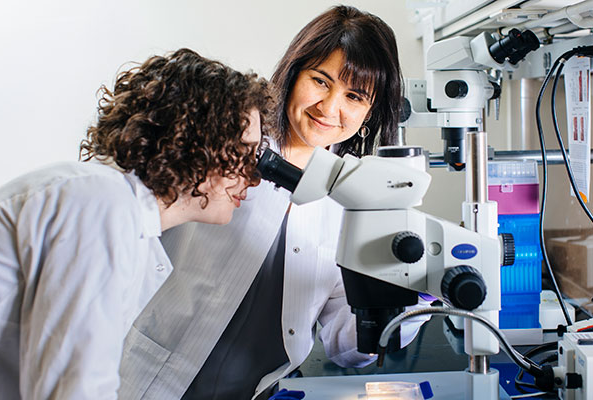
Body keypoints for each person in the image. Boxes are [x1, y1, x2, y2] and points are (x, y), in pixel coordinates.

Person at [119, 5, 428, 400]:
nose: (330, 108)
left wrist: (420, 288)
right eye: (320, 81)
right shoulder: (229, 144)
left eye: (354, 96)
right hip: (147, 379)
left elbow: (347, 345)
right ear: (293, 73)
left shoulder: (353, 203)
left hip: (257, 391)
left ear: (368, 112)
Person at [0, 48, 272, 399]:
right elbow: (75, 389)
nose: (254, 177)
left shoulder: (121, 213)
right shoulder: (101, 204)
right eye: (242, 153)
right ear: (195, 141)